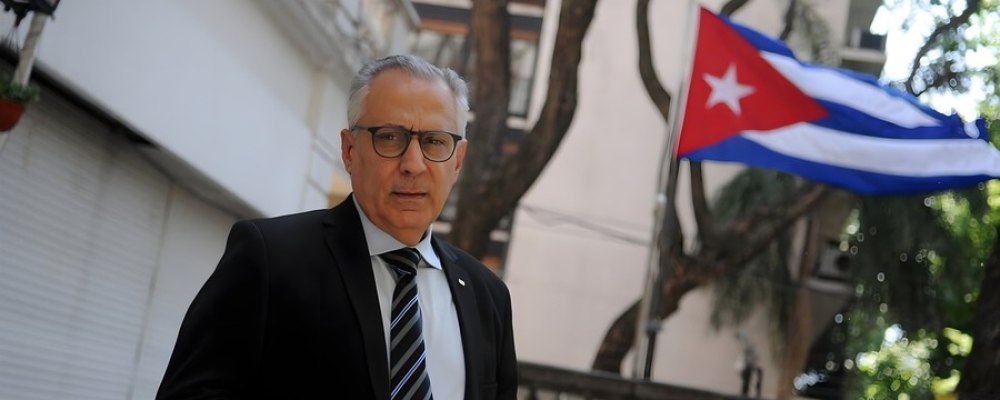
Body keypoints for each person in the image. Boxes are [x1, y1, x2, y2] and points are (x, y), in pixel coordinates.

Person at [157, 54, 517, 399]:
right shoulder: (270, 258)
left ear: (458, 161)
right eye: (390, 137)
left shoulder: (488, 299)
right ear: (349, 150)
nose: (413, 164)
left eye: (434, 142)